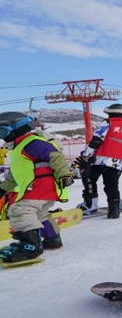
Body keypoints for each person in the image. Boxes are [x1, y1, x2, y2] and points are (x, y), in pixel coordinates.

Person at [0, 112, 72, 263]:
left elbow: (55, 155)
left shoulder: (31, 142)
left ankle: (31, 246)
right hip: (41, 188)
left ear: (17, 128)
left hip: (40, 186)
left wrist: (65, 174)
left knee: (19, 210)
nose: (2, 136)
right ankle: (53, 239)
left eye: (3, 131)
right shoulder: (19, 148)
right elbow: (15, 175)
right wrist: (2, 189)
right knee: (40, 214)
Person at [75, 103, 122, 219]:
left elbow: (96, 140)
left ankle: (90, 204)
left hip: (101, 159)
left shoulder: (108, 123)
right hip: (119, 162)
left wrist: (86, 154)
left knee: (88, 178)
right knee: (111, 185)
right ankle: (114, 209)